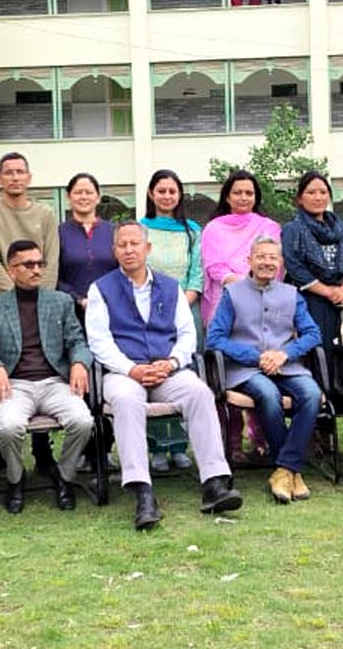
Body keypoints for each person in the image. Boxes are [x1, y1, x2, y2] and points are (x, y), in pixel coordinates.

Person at [85, 221, 244, 531]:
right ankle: (142, 492)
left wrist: (171, 362)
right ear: (114, 250)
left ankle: (214, 483)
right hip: (123, 371)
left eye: (135, 244)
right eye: (122, 245)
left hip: (165, 368)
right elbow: (99, 341)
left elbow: (186, 335)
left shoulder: (171, 287)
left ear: (148, 249)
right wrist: (131, 368)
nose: (129, 250)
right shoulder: (100, 289)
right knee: (126, 402)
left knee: (199, 393)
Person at [0, 240, 95, 514]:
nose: (36, 269)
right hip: (15, 385)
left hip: (55, 382)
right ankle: (16, 479)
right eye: (28, 264)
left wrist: (78, 362)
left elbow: (78, 341)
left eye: (40, 263)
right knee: (7, 427)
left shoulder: (60, 301)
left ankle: (64, 477)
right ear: (11, 269)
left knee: (83, 421)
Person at [207, 237, 323, 504]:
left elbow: (312, 333)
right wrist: (256, 357)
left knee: (312, 394)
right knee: (268, 395)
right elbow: (215, 338)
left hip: (288, 365)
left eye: (273, 257)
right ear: (249, 260)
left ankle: (284, 469)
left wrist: (285, 354)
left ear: (280, 263)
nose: (267, 262)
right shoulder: (233, 294)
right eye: (261, 256)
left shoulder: (291, 294)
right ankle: (291, 470)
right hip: (246, 370)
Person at [138, 169, 202, 472]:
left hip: (184, 314)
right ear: (151, 193)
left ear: (179, 195)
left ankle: (178, 445)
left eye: (172, 191)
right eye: (161, 190)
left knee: (179, 377)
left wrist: (179, 305)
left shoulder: (192, 230)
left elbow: (196, 274)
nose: (166, 196)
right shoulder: (140, 228)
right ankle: (156, 449)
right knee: (151, 375)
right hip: (145, 316)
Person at [280, 171, 343, 391]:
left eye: (323, 192)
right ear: (299, 198)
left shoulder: (340, 228)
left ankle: (339, 399)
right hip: (309, 300)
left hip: (341, 301)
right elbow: (295, 267)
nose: (318, 197)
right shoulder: (292, 229)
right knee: (316, 352)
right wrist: (328, 292)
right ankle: (319, 408)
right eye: (311, 192)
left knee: (341, 352)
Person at [199, 169, 282, 325]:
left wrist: (256, 288)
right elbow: (214, 267)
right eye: (237, 193)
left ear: (256, 197)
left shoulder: (269, 227)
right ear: (227, 197)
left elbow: (275, 263)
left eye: (249, 193)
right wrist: (244, 287)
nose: (243, 197)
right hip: (225, 297)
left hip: (264, 298)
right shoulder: (213, 228)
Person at [0, 152, 61, 297]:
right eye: (9, 173)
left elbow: (51, 261)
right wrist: (17, 297)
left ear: (29, 178)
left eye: (20, 172)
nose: (15, 178)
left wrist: (41, 296)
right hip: (2, 299)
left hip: (40, 299)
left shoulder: (45, 213)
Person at [57, 172, 116, 309]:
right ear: (68, 197)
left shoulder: (113, 232)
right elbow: (54, 276)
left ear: (98, 197)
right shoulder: (59, 233)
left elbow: (123, 271)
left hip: (111, 308)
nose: (83, 197)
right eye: (78, 192)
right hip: (71, 310)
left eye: (89, 192)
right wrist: (79, 300)